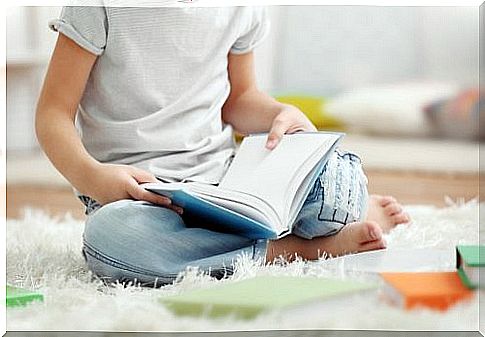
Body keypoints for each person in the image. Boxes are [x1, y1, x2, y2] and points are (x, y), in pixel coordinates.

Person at [35, 6, 410, 287]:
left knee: (338, 183)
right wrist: (94, 177)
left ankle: (313, 220)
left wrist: (282, 113)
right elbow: (53, 113)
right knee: (113, 239)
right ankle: (293, 248)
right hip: (139, 197)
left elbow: (240, 100)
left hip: (230, 182)